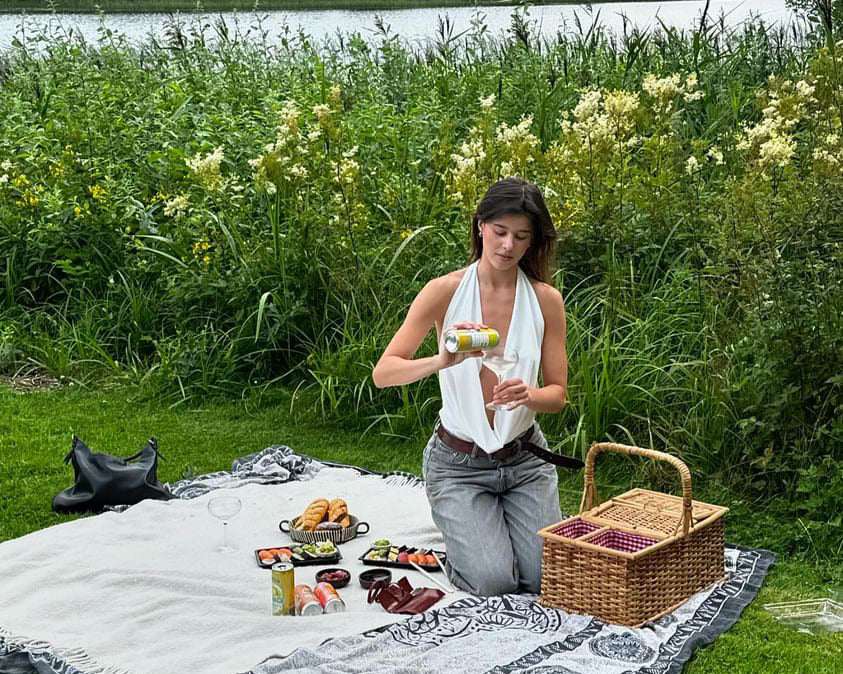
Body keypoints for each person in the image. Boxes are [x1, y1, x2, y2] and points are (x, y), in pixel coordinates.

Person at [372, 177, 568, 595]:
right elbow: (384, 372)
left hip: (524, 464)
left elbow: (557, 395)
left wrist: (528, 395)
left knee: (543, 579)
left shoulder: (545, 300)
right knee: (494, 581)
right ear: (480, 226)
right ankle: (470, 540)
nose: (507, 246)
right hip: (458, 466)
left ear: (533, 242)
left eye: (521, 237)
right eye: (499, 233)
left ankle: (495, 530)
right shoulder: (444, 292)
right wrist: (442, 360)